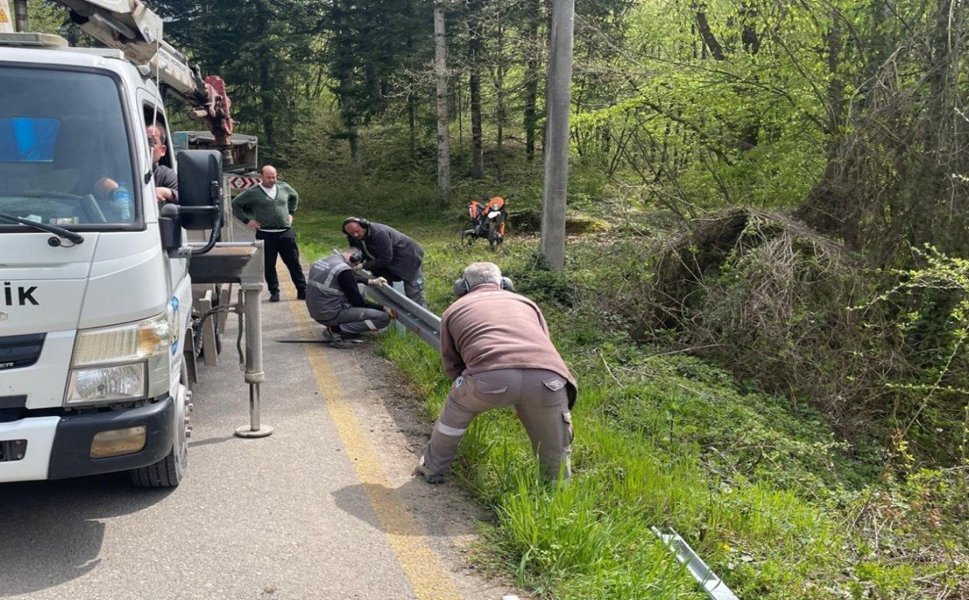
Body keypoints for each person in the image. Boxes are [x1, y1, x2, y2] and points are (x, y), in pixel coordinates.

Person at [414, 262, 577, 484]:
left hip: (488, 380)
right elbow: (545, 343)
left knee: (455, 410)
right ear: (503, 283)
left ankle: (433, 468)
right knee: (554, 444)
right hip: (548, 379)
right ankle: (557, 491)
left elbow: (452, 363)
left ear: (462, 286)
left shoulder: (454, 309)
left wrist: (468, 387)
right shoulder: (527, 303)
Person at [232, 165, 307, 303]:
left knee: (293, 262)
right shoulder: (253, 192)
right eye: (269, 177)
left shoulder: (284, 187)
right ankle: (274, 291)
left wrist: (291, 213)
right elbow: (235, 204)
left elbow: (294, 196)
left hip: (285, 232)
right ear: (262, 177)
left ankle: (302, 290)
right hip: (266, 234)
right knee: (269, 264)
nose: (272, 180)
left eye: (274, 177)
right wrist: (247, 221)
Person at [305, 248, 397, 343]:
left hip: (318, 310)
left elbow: (349, 278)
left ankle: (344, 326)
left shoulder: (327, 261)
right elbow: (359, 302)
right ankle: (336, 329)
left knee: (361, 286)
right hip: (330, 315)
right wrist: (383, 308)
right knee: (383, 318)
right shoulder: (344, 271)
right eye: (356, 264)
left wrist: (371, 281)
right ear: (354, 258)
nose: (355, 267)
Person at [342, 217, 426, 307]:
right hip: (385, 262)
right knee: (385, 289)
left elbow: (386, 258)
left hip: (408, 258)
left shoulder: (379, 233)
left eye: (357, 231)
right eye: (351, 233)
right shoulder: (353, 236)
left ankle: (420, 317)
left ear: (364, 225)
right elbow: (357, 250)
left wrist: (363, 265)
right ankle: (391, 313)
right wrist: (353, 260)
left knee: (413, 293)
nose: (355, 235)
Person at [95, 124, 178, 208]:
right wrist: (114, 190)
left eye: (150, 142)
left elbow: (184, 197)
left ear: (163, 150)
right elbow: (97, 184)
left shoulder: (166, 175)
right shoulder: (118, 169)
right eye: (137, 141)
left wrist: (166, 192)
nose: (142, 147)